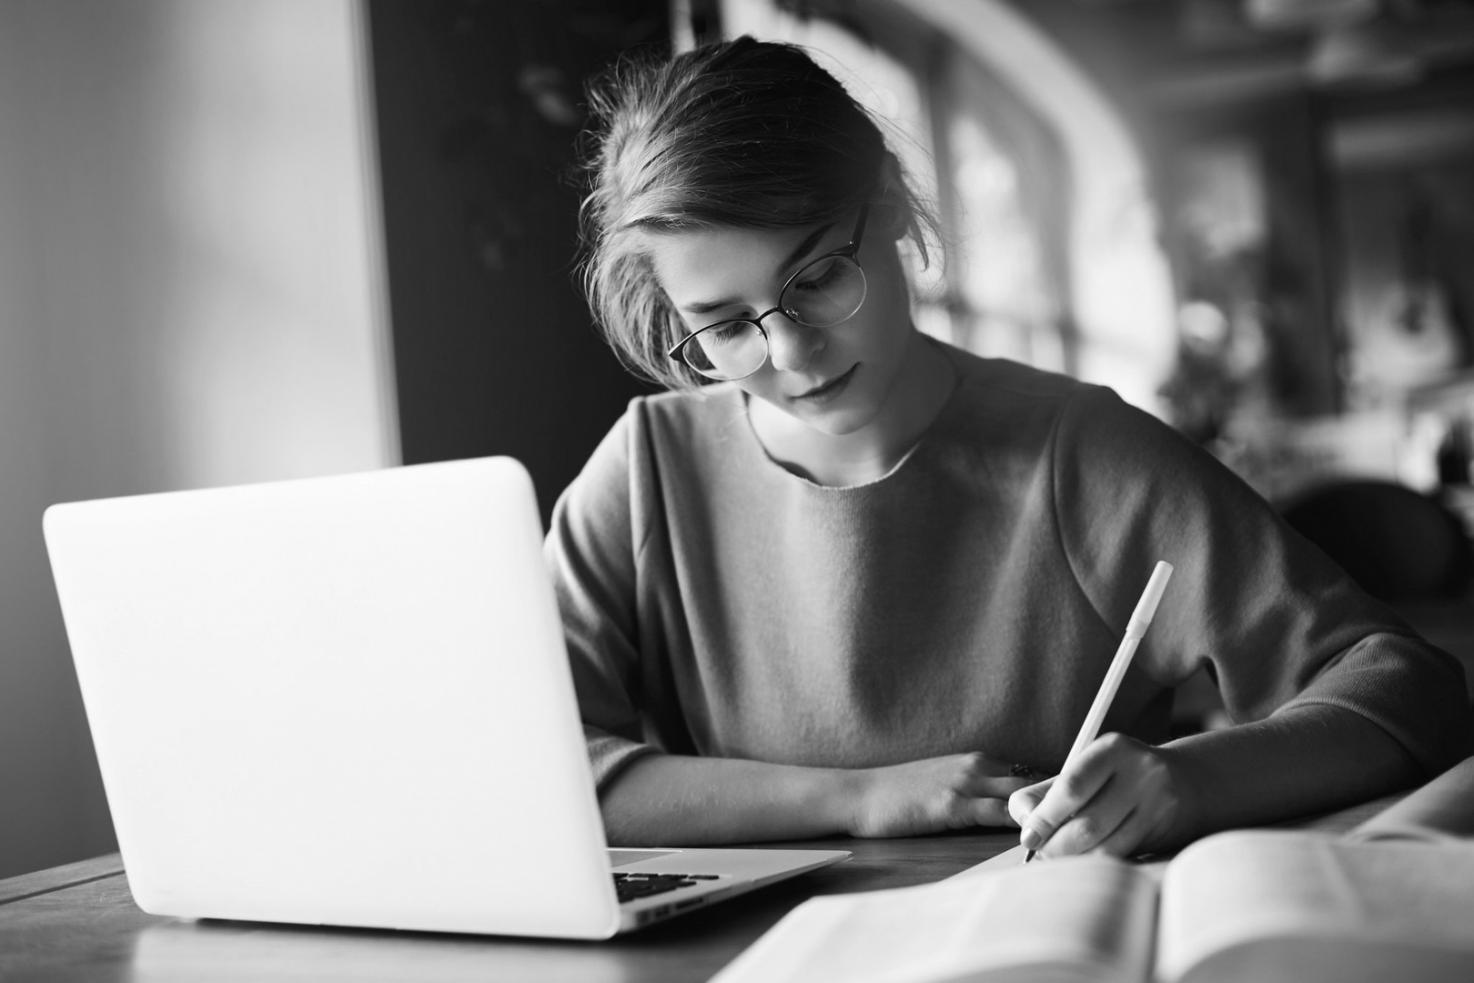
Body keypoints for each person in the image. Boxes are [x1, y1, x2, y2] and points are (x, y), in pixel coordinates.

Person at [548, 35, 1471, 858]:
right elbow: (542, 773)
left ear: (894, 210)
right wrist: (865, 799)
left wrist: (1198, 778)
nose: (788, 352)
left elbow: (1406, 689)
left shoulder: (1080, 451)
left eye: (818, 276)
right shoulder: (644, 475)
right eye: (722, 325)